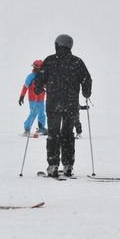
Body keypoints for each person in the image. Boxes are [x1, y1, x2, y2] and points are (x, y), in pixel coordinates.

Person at [34, 34, 92, 177]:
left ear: (57, 45)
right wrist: (86, 92)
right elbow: (87, 79)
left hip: (53, 104)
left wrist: (38, 88)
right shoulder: (77, 62)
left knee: (53, 134)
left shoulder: (49, 61)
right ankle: (68, 165)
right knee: (67, 134)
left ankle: (53, 165)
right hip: (71, 105)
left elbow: (40, 78)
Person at [19, 60, 47, 136]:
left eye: (36, 68)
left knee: (41, 113)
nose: (35, 69)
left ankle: (41, 127)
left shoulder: (43, 76)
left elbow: (47, 86)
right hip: (32, 99)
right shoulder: (30, 76)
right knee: (33, 113)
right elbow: (25, 87)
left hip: (41, 99)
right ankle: (27, 128)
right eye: (34, 67)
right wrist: (22, 96)